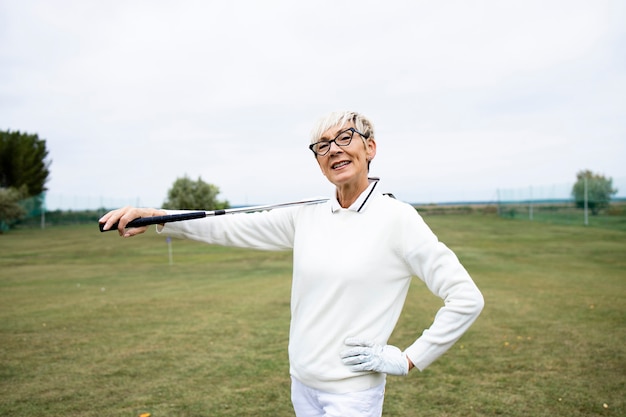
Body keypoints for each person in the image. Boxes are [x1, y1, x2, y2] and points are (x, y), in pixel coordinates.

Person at [99, 111, 484, 417]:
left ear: (371, 148)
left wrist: (408, 358)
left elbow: (466, 297)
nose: (333, 150)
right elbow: (229, 226)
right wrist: (157, 216)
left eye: (345, 138)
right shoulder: (307, 216)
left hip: (352, 397)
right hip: (302, 385)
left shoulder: (398, 218)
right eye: (322, 145)